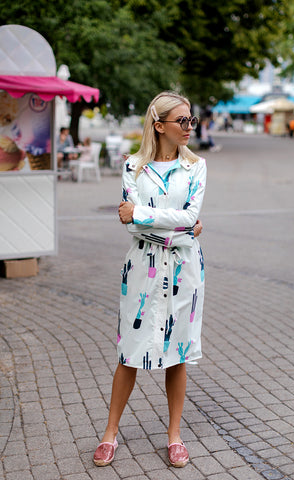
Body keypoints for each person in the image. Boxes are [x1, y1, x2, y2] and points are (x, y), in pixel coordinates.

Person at [93, 91, 207, 469]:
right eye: (183, 121)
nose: (190, 127)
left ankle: (174, 436)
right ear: (159, 126)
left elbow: (188, 216)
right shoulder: (133, 167)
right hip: (141, 269)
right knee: (130, 352)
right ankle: (110, 432)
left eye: (192, 120)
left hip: (184, 271)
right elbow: (132, 227)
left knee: (177, 354)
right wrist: (179, 225)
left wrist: (144, 214)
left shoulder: (197, 167)